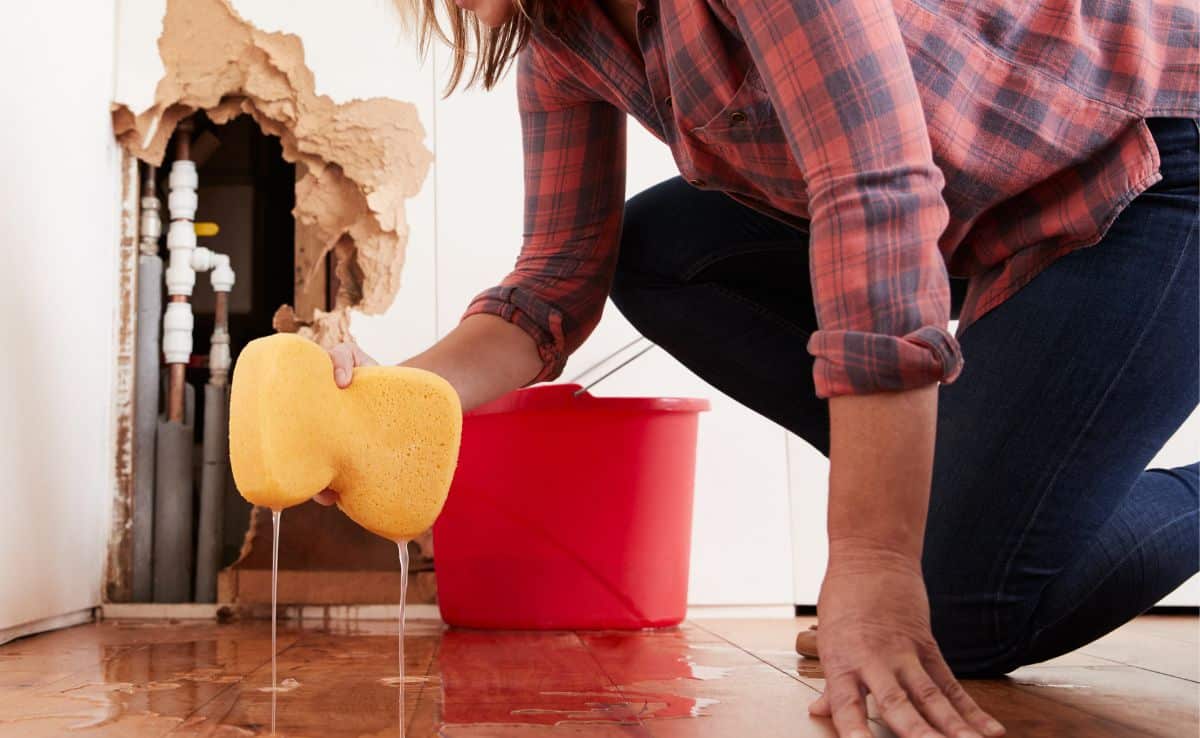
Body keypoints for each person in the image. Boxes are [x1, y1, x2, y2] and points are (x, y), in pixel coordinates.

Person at [316, 2, 1200, 736]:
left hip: (1148, 168)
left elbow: (877, 196)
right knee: (656, 251)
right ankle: (942, 501)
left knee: (966, 618)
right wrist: (391, 400)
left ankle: (935, 532)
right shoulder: (566, 40)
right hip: (991, 212)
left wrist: (874, 562)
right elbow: (554, 286)